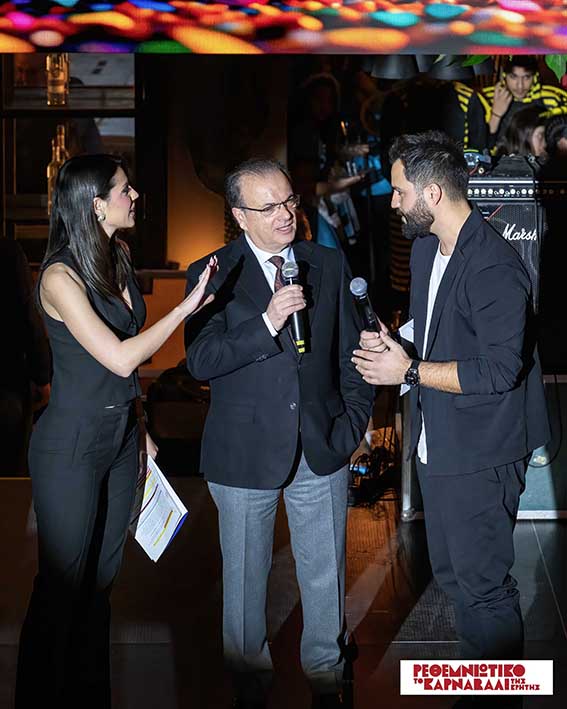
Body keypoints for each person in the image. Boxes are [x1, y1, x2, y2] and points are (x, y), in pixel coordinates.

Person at [16, 154, 216, 709]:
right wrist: (185, 308)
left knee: (101, 583)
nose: (135, 196)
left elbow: (123, 376)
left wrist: (141, 426)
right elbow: (121, 357)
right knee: (62, 585)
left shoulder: (119, 256)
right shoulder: (58, 277)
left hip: (121, 437)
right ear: (95, 205)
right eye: (124, 190)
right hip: (72, 445)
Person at [352, 132, 550, 673]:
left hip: (483, 451)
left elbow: (499, 370)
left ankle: (497, 697)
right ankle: (479, 687)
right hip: (437, 440)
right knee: (453, 576)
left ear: (433, 193)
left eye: (400, 192)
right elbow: (436, 325)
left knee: (483, 587)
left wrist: (408, 371)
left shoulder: (494, 268)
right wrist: (398, 343)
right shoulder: (425, 249)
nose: (393, 202)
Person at [185, 158, 374, 709]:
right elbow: (201, 360)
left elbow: (353, 351)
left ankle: (327, 677)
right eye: (268, 207)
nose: (285, 214)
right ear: (240, 216)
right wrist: (267, 322)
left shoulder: (327, 263)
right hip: (243, 453)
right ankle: (249, 685)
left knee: (324, 574)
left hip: (321, 445)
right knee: (245, 581)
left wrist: (351, 424)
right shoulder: (213, 272)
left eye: (288, 201)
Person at [0, 239, 51, 476]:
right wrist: (42, 377)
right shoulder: (7, 251)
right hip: (7, 386)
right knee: (9, 478)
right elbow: (28, 318)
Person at [482, 56, 567, 151]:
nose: (520, 85)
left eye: (527, 77)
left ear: (535, 77)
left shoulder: (553, 98)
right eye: (513, 77)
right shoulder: (487, 98)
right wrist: (496, 114)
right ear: (504, 76)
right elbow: (481, 146)